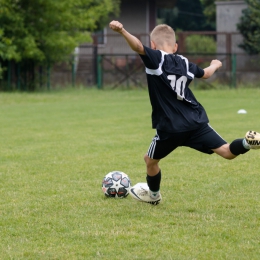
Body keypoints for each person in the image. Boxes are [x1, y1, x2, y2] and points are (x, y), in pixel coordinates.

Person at [109, 20, 260, 205]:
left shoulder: (156, 58)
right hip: (195, 121)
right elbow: (205, 74)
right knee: (227, 151)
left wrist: (122, 30)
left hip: (171, 126)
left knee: (150, 160)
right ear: (175, 46)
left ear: (153, 45)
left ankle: (154, 195)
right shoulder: (184, 62)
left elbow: (138, 46)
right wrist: (215, 64)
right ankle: (247, 142)